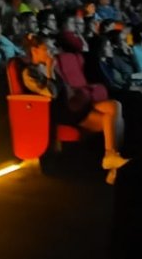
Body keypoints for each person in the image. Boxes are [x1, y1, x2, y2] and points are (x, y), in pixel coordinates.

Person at [22, 35, 129, 184]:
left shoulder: (50, 65)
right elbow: (50, 93)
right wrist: (49, 71)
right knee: (114, 120)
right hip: (64, 112)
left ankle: (111, 158)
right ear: (34, 50)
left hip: (74, 104)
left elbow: (66, 89)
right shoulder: (30, 72)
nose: (52, 51)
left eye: (53, 47)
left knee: (115, 106)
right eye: (48, 48)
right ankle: (112, 166)